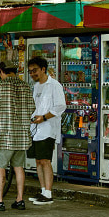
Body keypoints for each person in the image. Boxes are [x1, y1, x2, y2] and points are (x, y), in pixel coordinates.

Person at [0, 60, 35, 211]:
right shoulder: (26, 86)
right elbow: (32, 107)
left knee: (0, 169)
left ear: (1, 72)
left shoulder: (1, 86)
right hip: (21, 136)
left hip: (4, 136)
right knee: (19, 168)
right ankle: (20, 200)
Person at [28, 56, 66, 205]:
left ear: (43, 69)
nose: (32, 74)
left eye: (35, 70)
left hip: (48, 128)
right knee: (38, 161)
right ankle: (43, 191)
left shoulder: (54, 85)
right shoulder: (37, 86)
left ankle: (48, 193)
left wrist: (43, 117)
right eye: (30, 71)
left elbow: (60, 106)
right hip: (35, 128)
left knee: (45, 161)